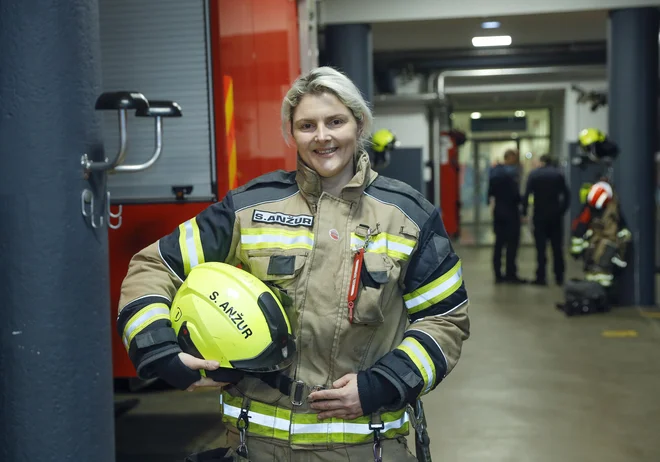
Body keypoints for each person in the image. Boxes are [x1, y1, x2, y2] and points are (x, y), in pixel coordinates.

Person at [116, 66, 470, 461]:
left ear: (359, 123)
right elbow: (155, 265)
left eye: (335, 121)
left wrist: (383, 384)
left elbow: (445, 318)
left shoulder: (408, 216)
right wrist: (161, 351)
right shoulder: (249, 208)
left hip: (366, 447)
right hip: (256, 447)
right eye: (307, 125)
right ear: (292, 132)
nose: (322, 136)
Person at [522, 154, 570, 285]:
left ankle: (541, 276)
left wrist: (524, 212)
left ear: (542, 162)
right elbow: (566, 195)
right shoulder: (558, 175)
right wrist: (562, 210)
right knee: (557, 248)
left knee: (540, 249)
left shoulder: (534, 175)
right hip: (555, 216)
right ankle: (559, 276)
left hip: (540, 215)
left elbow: (527, 195)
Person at [487, 149, 526, 283]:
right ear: (509, 158)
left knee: (499, 244)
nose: (515, 162)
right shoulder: (511, 175)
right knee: (511, 245)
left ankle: (498, 274)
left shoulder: (495, 173)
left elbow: (490, 193)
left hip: (499, 212)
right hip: (510, 213)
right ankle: (510, 274)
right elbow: (515, 196)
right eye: (514, 159)